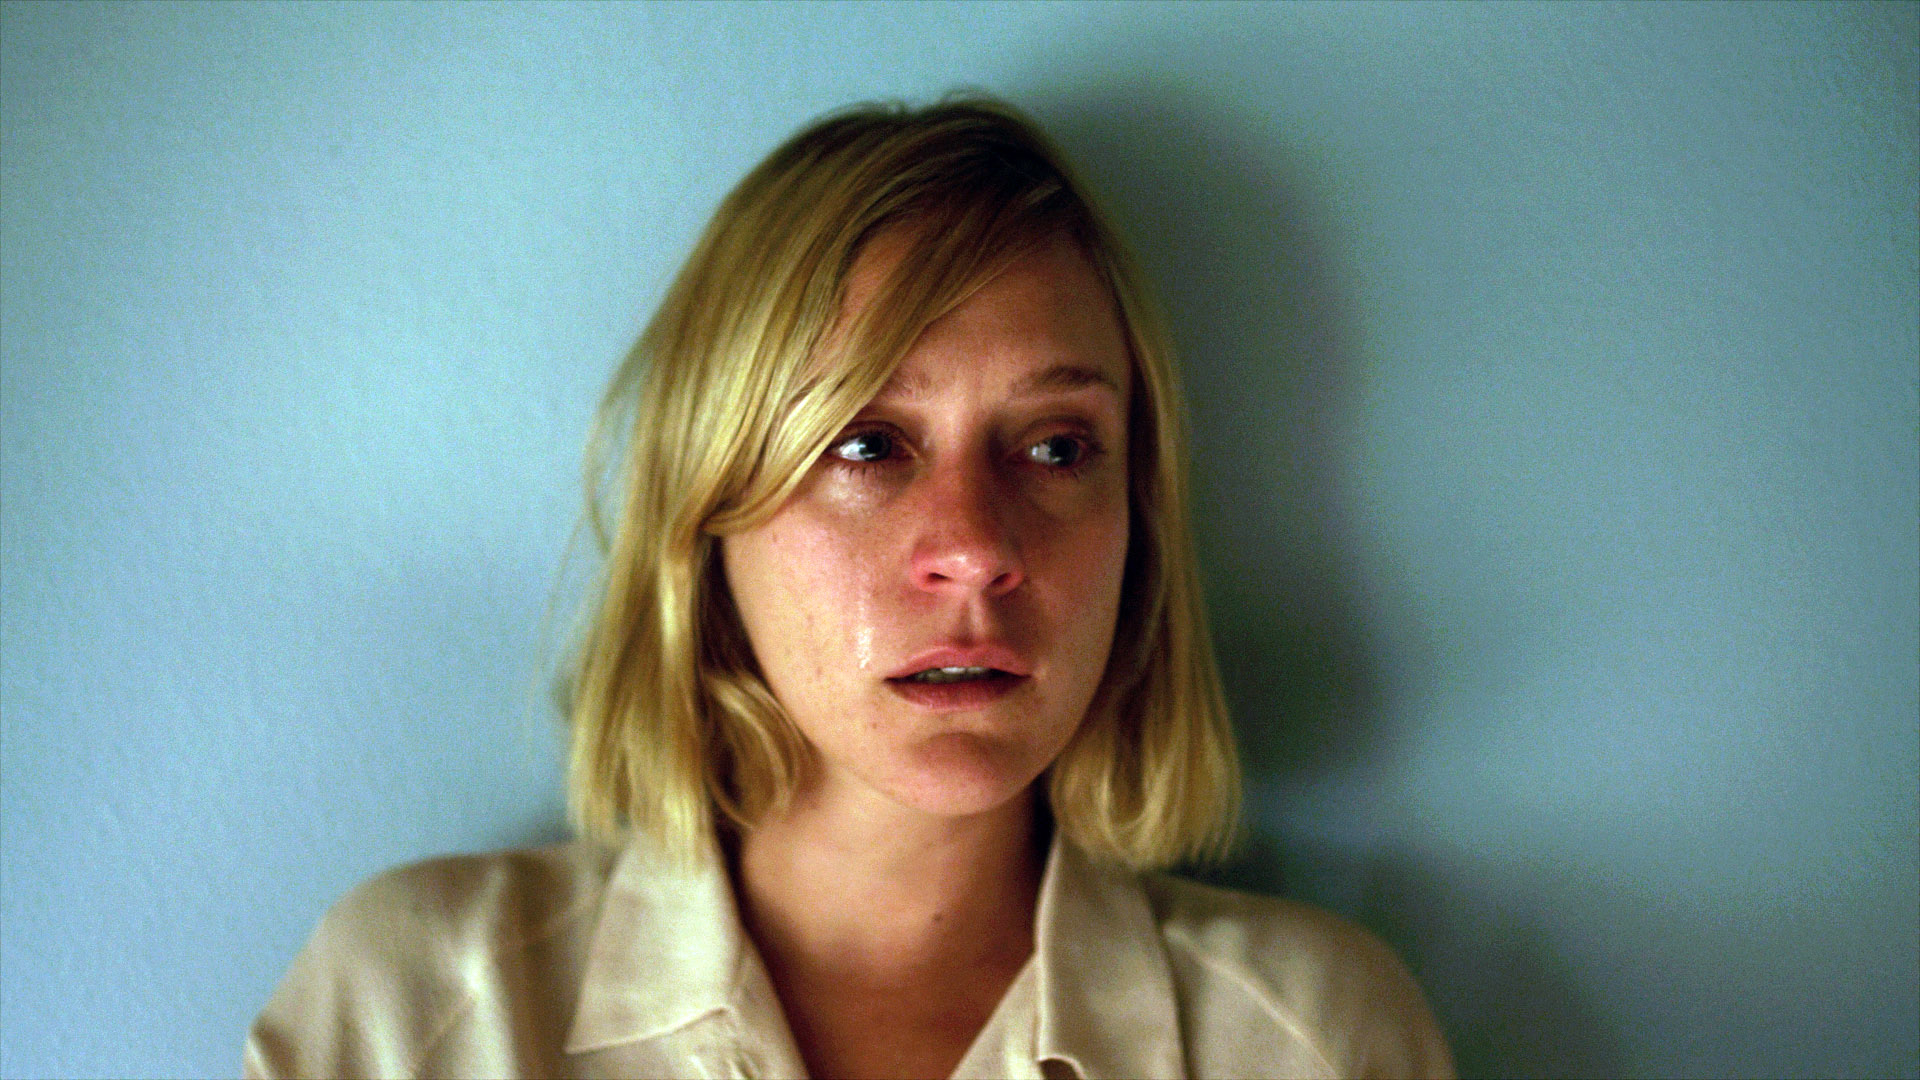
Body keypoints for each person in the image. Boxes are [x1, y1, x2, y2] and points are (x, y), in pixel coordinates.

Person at [245, 97, 1454, 1080]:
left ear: (1140, 520)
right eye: (868, 446)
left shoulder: (1306, 1042)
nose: (975, 548)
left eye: (1056, 446)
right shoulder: (419, 1012)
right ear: (710, 508)